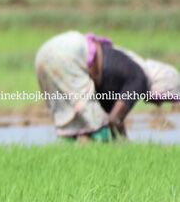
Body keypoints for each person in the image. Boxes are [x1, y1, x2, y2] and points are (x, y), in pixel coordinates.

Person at [35, 31, 180, 142]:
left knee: (68, 125)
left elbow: (111, 116)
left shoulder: (128, 72)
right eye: (164, 98)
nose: (160, 104)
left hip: (45, 53)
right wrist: (126, 146)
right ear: (161, 86)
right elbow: (114, 120)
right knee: (100, 127)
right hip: (69, 56)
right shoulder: (139, 78)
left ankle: (65, 157)